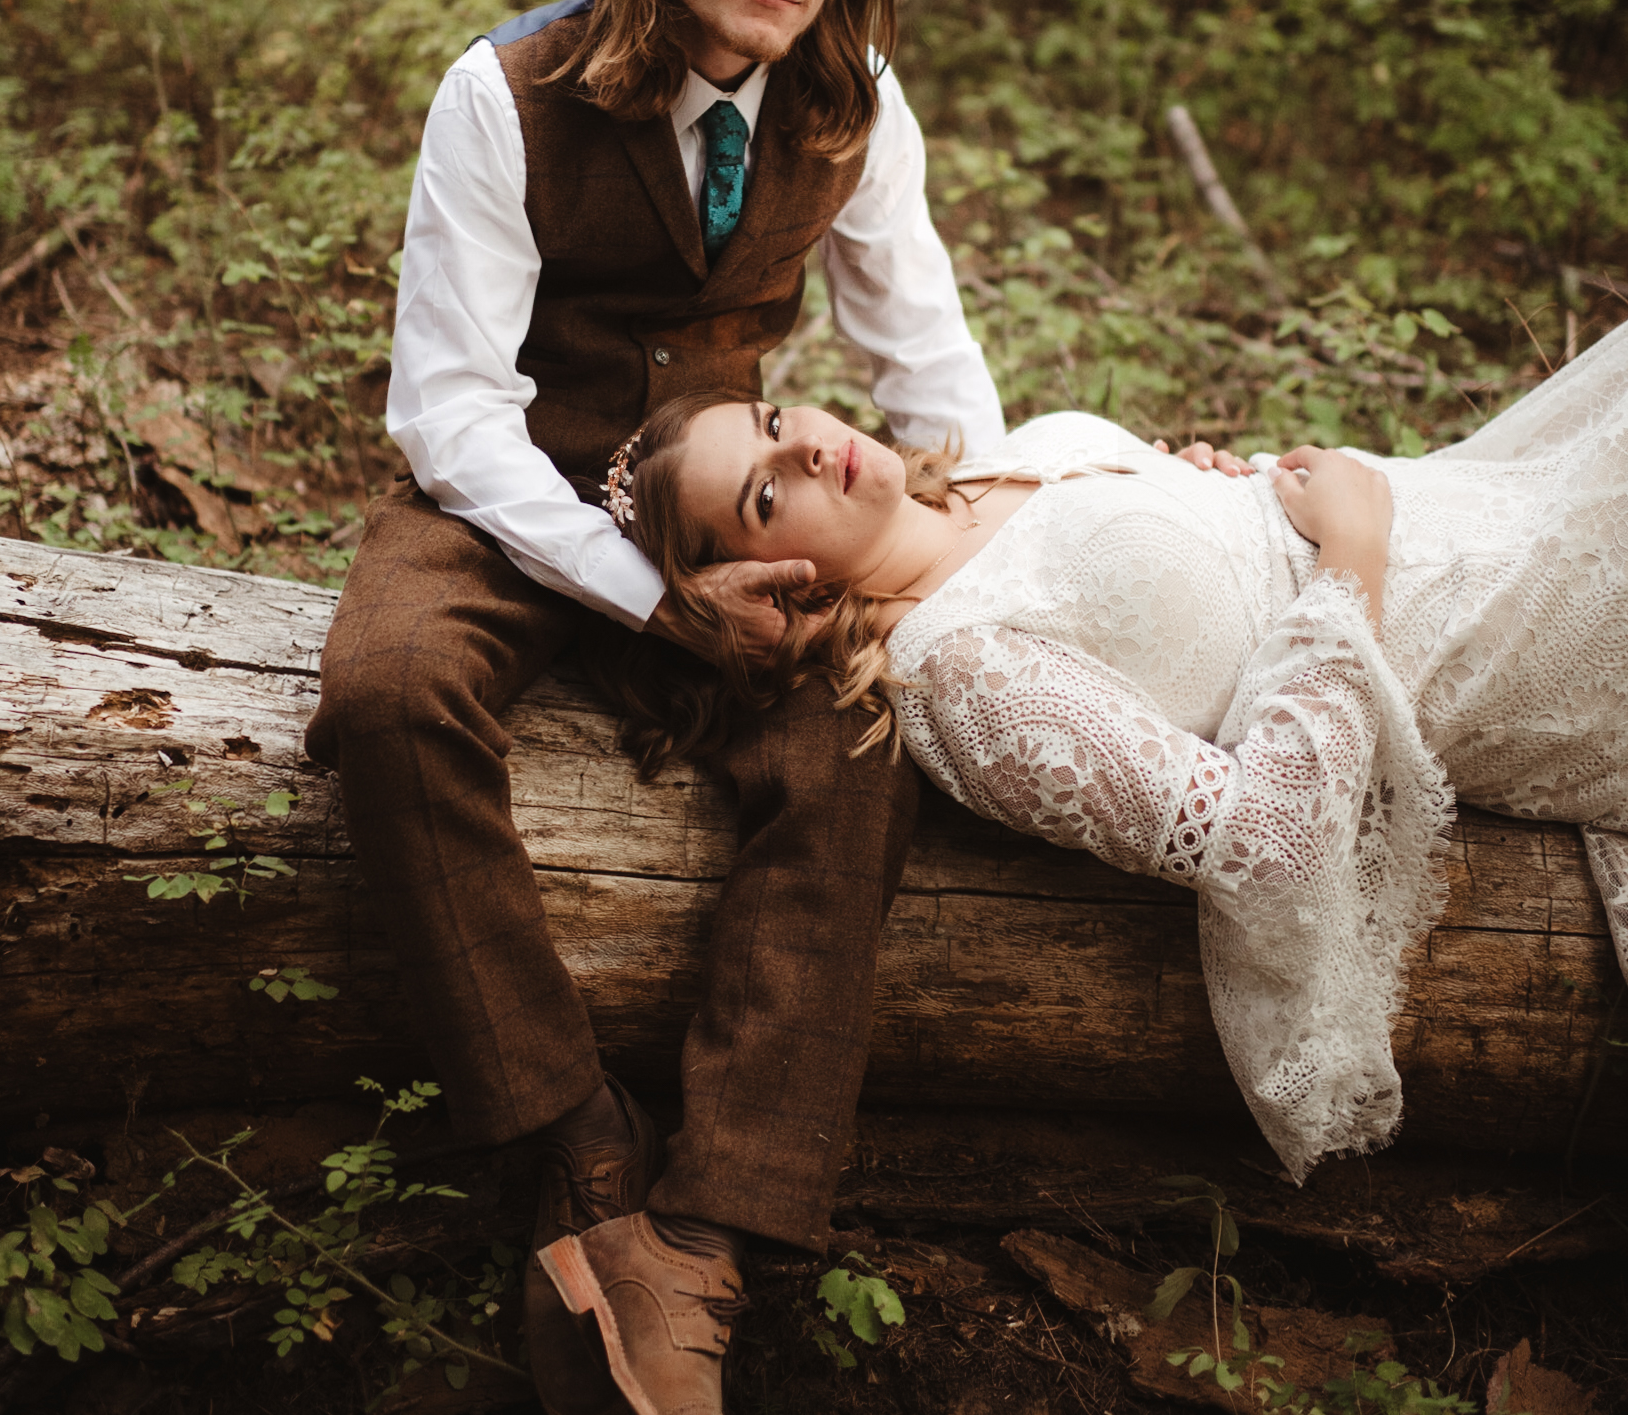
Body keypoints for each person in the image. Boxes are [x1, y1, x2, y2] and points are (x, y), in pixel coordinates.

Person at [305, 0, 1015, 1415]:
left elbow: (927, 366)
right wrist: (642, 603)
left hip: (726, 494)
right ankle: (573, 1174)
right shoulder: (510, 88)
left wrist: (987, 544)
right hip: (514, 494)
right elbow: (445, 414)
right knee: (387, 700)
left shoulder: (850, 104)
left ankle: (701, 1245)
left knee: (857, 752)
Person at [607, 338, 1628, 1186]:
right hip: (1506, 639)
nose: (810, 452)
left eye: (775, 421)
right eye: (765, 494)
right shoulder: (963, 673)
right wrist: (1350, 559)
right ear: (765, 584)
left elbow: (1183, 580)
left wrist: (1215, 493)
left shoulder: (983, 471)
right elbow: (1267, 840)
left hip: (1481, 507)